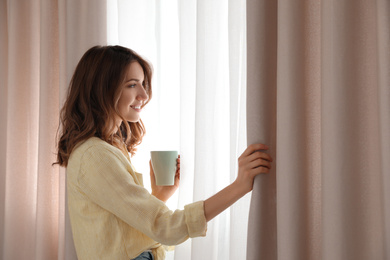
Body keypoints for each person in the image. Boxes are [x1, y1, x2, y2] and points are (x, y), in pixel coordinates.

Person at [55, 45, 273, 260]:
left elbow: (125, 232)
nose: (143, 94)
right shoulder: (94, 156)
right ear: (103, 89)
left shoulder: (108, 148)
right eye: (132, 85)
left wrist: (160, 196)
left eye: (142, 84)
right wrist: (240, 186)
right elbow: (166, 228)